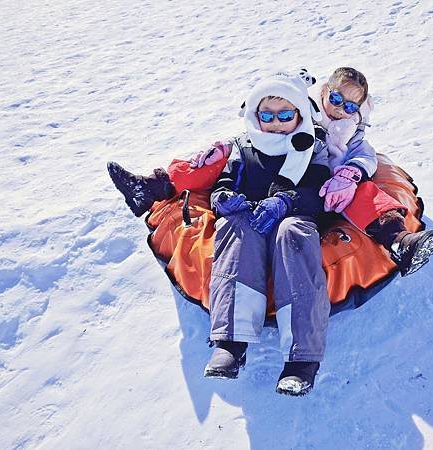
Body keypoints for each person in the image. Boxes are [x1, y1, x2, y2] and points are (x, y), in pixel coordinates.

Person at [108, 70, 331, 396]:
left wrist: (285, 202)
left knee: (291, 234)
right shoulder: (244, 147)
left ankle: (302, 360)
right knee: (233, 228)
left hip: (292, 216)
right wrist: (224, 199)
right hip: (252, 215)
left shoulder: (311, 145)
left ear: (298, 115)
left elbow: (317, 190)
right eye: (266, 115)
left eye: (285, 115)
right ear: (255, 115)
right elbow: (223, 183)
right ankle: (231, 343)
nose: (275, 123)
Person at [193, 67, 433, 276]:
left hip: (336, 189)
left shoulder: (353, 131)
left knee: (366, 194)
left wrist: (350, 175)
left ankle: (399, 240)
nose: (340, 109)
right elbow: (255, 133)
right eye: (335, 100)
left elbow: (366, 156)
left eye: (349, 106)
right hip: (304, 187)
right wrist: (226, 147)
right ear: (324, 91)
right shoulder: (301, 113)